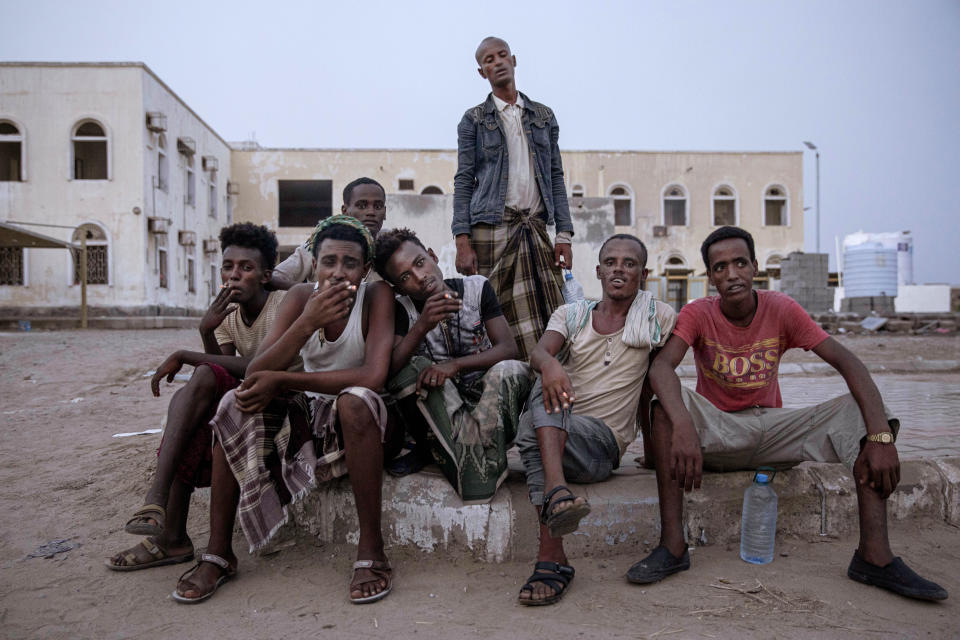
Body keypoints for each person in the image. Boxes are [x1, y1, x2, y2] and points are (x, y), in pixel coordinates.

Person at [631, 226, 948, 602]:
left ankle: (873, 557)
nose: (731, 274)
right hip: (718, 434)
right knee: (664, 406)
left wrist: (880, 436)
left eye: (739, 263)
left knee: (861, 413)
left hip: (772, 432)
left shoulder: (781, 308)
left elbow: (847, 362)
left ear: (755, 267)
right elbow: (662, 367)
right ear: (710, 277)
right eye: (719, 268)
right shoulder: (699, 313)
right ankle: (673, 548)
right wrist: (684, 424)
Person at [171, 216, 398, 605]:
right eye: (329, 261)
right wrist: (307, 321)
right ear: (315, 263)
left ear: (365, 269)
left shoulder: (376, 296)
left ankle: (372, 549)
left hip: (365, 420)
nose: (338, 272)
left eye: (350, 263)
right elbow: (259, 370)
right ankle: (219, 552)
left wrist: (285, 380)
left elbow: (373, 375)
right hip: (310, 416)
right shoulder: (298, 298)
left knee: (354, 400)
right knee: (236, 401)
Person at [106, 223, 291, 571]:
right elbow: (218, 373)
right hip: (244, 397)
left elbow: (255, 366)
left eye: (246, 268)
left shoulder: (283, 304)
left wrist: (188, 354)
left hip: (283, 398)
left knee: (199, 384)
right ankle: (168, 530)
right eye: (228, 267)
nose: (234, 275)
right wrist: (206, 330)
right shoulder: (226, 314)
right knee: (192, 407)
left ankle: (159, 504)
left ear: (266, 275)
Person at [515, 234, 676, 605]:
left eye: (629, 263)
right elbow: (540, 351)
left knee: (534, 427)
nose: (619, 268)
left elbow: (654, 383)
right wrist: (552, 364)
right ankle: (557, 507)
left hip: (601, 445)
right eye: (611, 262)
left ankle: (552, 553)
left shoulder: (657, 317)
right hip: (559, 426)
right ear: (598, 271)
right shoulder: (571, 315)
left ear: (643, 274)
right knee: (545, 388)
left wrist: (653, 453)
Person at [374, 227, 531, 503]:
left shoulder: (476, 288)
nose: (420, 277)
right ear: (398, 288)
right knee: (413, 368)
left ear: (432, 256)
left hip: (488, 405)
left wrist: (455, 365)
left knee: (513, 370)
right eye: (405, 277)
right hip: (442, 415)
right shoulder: (404, 309)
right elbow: (390, 371)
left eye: (420, 263)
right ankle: (433, 450)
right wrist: (422, 326)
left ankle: (483, 459)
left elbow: (509, 348)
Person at [453, 36, 574, 360]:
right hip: (490, 230)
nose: (497, 62)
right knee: (493, 316)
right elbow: (464, 179)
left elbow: (556, 176)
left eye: (502, 55)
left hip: (534, 229)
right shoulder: (474, 119)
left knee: (549, 314)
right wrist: (462, 241)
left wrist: (564, 234)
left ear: (514, 60)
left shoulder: (543, 116)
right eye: (489, 59)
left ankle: (544, 385)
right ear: (482, 72)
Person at [271, 177, 387, 289]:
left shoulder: (388, 253)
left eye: (378, 206)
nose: (371, 212)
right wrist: (316, 291)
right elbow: (275, 278)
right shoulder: (320, 245)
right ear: (345, 211)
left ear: (385, 212)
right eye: (362, 205)